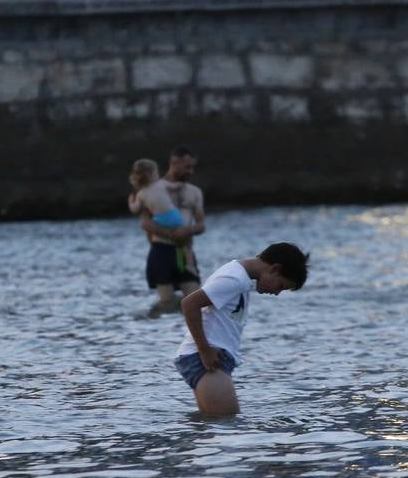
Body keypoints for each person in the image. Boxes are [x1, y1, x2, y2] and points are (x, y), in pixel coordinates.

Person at [174, 242, 310, 416]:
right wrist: (204, 350)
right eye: (281, 286)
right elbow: (189, 304)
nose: (277, 293)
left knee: (211, 430)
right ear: (275, 269)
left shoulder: (241, 278)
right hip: (206, 358)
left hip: (209, 358)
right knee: (226, 426)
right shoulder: (234, 279)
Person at [136, 146, 206, 314]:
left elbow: (201, 224)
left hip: (184, 252)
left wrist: (187, 231)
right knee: (166, 302)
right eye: (187, 167)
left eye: (192, 167)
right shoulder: (152, 188)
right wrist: (170, 234)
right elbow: (144, 222)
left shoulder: (195, 192)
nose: (191, 171)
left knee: (197, 300)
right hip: (161, 250)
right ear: (174, 163)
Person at [128, 159, 186, 228]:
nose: (158, 174)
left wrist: (130, 201)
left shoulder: (141, 194)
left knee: (145, 222)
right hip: (174, 217)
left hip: (160, 220)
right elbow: (174, 186)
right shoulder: (161, 183)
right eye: (156, 172)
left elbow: (135, 209)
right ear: (151, 175)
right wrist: (182, 184)